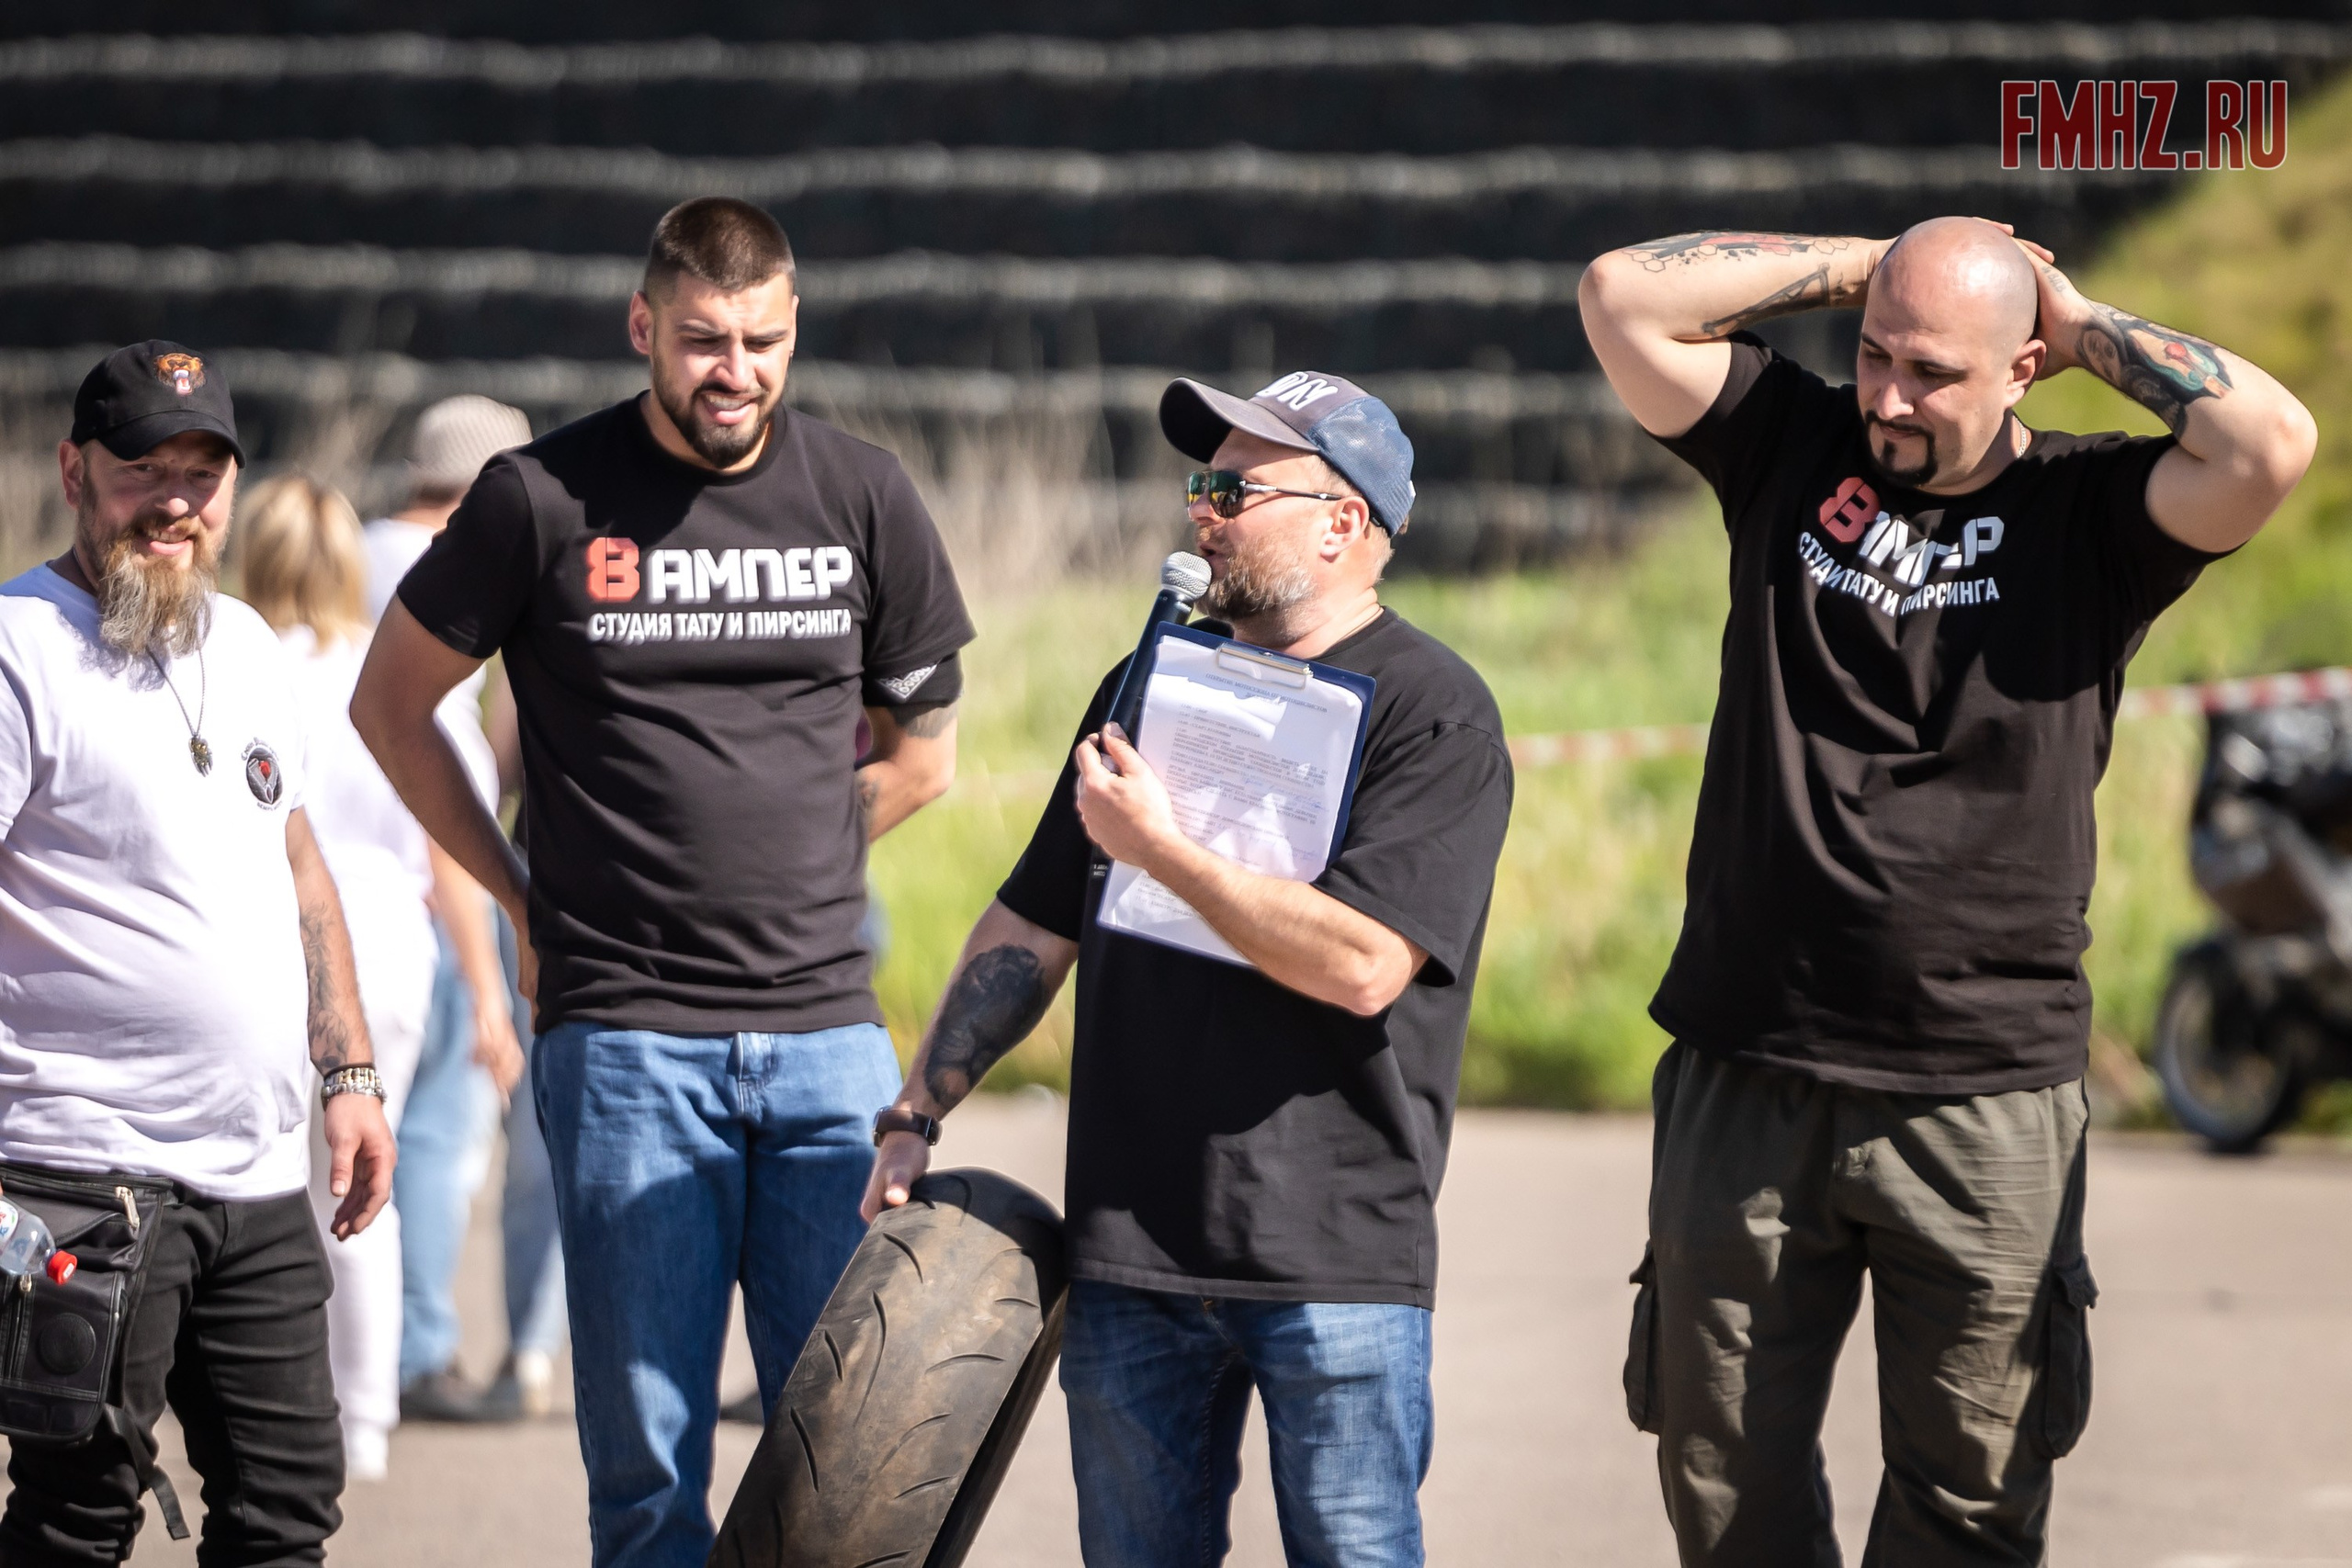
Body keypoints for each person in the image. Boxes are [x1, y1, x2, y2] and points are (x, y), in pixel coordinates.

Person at [1577, 218, 2317, 1563]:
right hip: (1753, 1059)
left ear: (2025, 368)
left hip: (1984, 1088)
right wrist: (1870, 262)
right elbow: (1621, 297)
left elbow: (2269, 444)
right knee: (1721, 1474)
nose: (1890, 398)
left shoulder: (2094, 515)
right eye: (1874, 357)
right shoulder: (1788, 447)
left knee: (1970, 1499)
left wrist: (2083, 319)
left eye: (1934, 372)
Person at [350, 197, 972, 1567]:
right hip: (627, 1045)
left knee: (852, 1464)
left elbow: (925, 758)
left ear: (793, 331)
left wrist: (797, 843)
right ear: (644, 328)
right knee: (647, 1482)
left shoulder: (864, 495)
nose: (731, 368)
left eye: (759, 340)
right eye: (700, 339)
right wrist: (520, 899)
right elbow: (392, 709)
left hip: (827, 1047)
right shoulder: (541, 496)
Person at [867, 372, 1515, 1568]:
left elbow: (1365, 960)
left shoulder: (1436, 712)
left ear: (1344, 521)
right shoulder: (1147, 678)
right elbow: (1032, 921)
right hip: (1133, 1248)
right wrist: (919, 1105)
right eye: (1199, 484)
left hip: (1332, 1258)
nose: (1201, 511)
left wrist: (1161, 848)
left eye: (1236, 487)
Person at [0, 342, 396, 1562]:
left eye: (203, 471)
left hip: (256, 1177)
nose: (176, 501)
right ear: (75, 471)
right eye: (142, 470)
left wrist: (349, 1073)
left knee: (288, 1503)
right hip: (80, 1175)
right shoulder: (19, 649)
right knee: (78, 1514)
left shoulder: (248, 643)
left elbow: (300, 865)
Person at [240, 473, 457, 1478]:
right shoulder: (389, 675)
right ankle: (365, 1417)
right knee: (369, 1180)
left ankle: (275, 1405)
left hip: (288, 940)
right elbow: (451, 819)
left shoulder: (240, 672)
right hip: (398, 948)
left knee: (268, 1186)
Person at [359, 395, 537, 1424]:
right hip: (428, 896)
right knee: (434, 1126)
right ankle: (419, 1348)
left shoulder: (349, 550)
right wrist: (483, 973)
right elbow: (435, 786)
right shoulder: (450, 568)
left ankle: (367, 1350)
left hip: (338, 882)